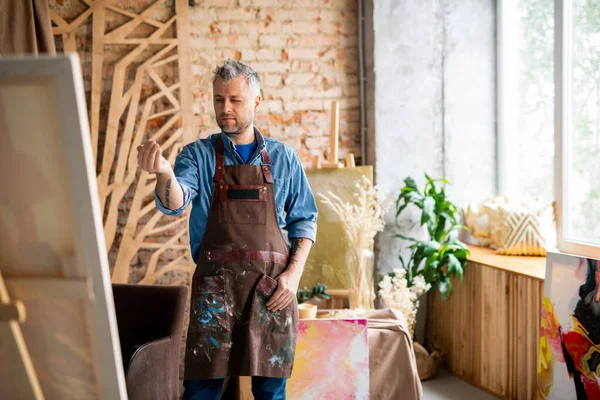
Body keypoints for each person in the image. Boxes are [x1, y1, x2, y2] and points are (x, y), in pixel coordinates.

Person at [136, 59, 318, 400]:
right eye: (219, 99)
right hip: (215, 294)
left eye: (234, 99)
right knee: (201, 390)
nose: (225, 108)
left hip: (270, 292)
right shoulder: (198, 155)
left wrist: (293, 275)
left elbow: (305, 222)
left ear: (256, 102)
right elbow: (175, 201)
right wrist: (163, 172)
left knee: (270, 391)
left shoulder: (285, 159)